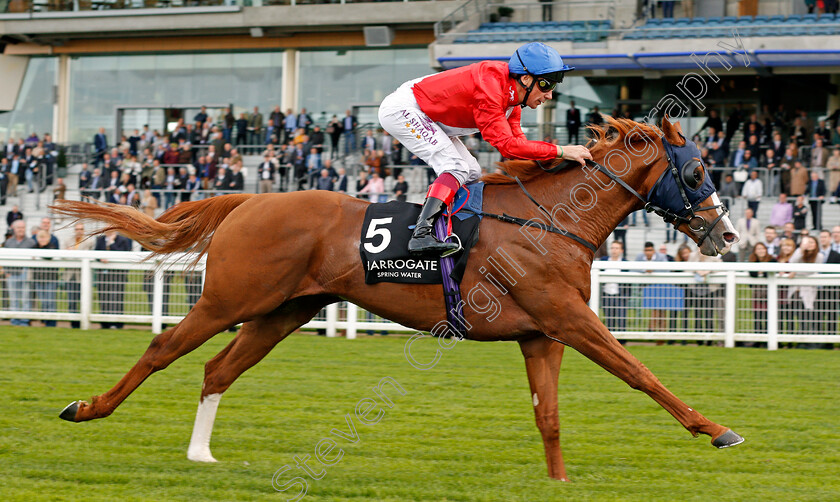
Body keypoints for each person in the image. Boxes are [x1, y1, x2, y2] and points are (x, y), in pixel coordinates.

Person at [378, 42, 590, 255]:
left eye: (554, 86)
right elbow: (508, 147)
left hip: (429, 114)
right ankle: (421, 235)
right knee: (456, 167)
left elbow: (520, 146)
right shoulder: (490, 90)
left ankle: (453, 226)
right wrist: (561, 151)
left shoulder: (513, 99)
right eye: (545, 85)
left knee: (472, 172)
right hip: (404, 109)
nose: (549, 95)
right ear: (525, 79)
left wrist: (555, 162)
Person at [94, 230, 132, 329]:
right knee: (103, 297)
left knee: (117, 298)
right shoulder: (100, 239)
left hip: (117, 274)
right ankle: (105, 323)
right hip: (103, 274)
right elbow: (95, 253)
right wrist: (100, 259)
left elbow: (124, 254)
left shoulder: (122, 240)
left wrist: (112, 243)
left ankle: (117, 323)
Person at [3, 220, 36, 326]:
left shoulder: (30, 242)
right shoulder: (9, 242)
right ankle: (15, 320)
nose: (21, 229)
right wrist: (7, 272)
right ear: (14, 229)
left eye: (23, 227)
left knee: (26, 298)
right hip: (12, 274)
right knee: (14, 298)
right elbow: (5, 257)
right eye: (19, 228)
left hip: (25, 272)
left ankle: (25, 320)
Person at [64, 222, 94, 328]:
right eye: (77, 229)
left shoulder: (89, 241)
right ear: (74, 230)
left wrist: (72, 253)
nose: (79, 231)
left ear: (84, 230)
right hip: (70, 275)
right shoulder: (68, 241)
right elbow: (64, 256)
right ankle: (73, 323)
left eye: (81, 229)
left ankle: (82, 321)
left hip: (82, 276)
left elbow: (85, 255)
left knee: (82, 299)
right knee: (71, 299)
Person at [748, 242, 776, 336]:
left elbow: (768, 273)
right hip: (757, 293)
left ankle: (768, 337)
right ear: (755, 251)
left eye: (762, 248)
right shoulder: (752, 260)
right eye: (758, 249)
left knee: (769, 316)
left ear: (766, 250)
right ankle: (758, 337)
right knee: (757, 316)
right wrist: (762, 272)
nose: (761, 251)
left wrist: (761, 272)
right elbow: (752, 273)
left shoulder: (772, 259)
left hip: (770, 293)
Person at [33, 229, 59, 327]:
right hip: (38, 278)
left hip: (50, 278)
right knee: (43, 301)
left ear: (48, 238)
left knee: (50, 301)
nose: (42, 239)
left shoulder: (52, 246)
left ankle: (51, 322)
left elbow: (50, 256)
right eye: (40, 237)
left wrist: (38, 255)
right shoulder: (34, 247)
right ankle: (44, 321)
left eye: (44, 237)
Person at [600, 241, 628, 332]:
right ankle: (611, 341)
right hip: (606, 294)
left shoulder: (625, 262)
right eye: (612, 248)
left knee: (621, 319)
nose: (614, 250)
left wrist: (626, 296)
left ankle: (622, 341)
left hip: (620, 295)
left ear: (621, 250)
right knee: (609, 319)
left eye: (616, 248)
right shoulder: (604, 260)